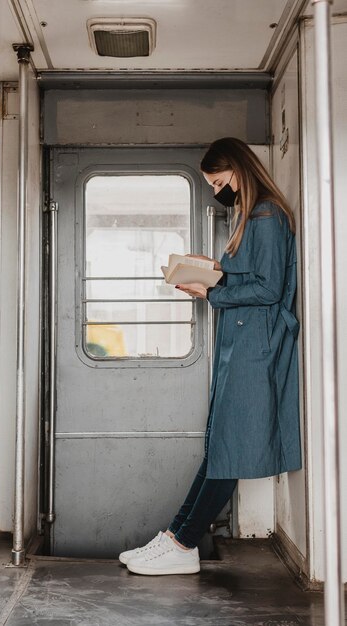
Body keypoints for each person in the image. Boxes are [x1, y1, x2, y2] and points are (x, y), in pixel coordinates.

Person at [119, 137, 302, 576]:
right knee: (221, 447)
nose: (218, 190)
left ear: (238, 171)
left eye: (219, 181)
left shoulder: (267, 216)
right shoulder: (249, 216)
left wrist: (212, 289)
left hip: (255, 346)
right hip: (241, 344)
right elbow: (251, 276)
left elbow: (269, 288)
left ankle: (182, 543)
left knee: (230, 448)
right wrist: (211, 270)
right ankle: (176, 536)